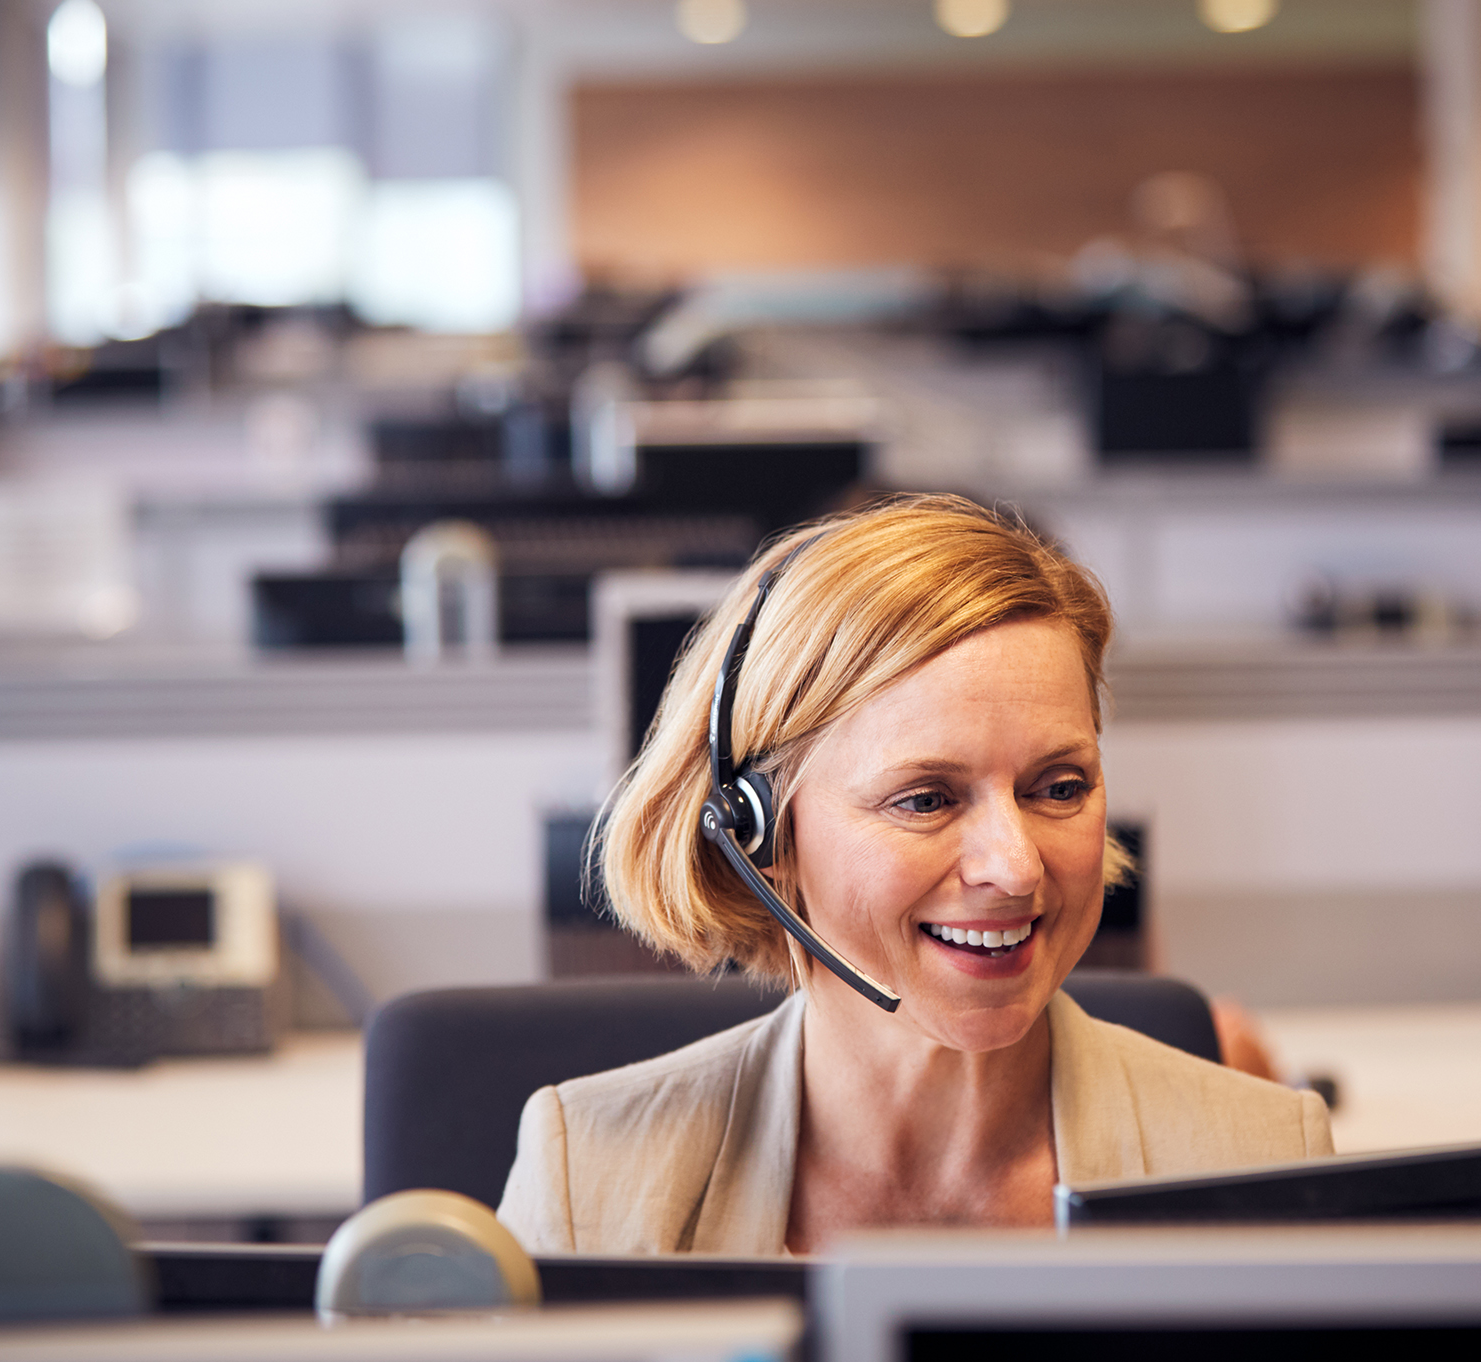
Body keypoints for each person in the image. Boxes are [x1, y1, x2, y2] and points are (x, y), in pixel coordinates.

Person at [496, 495, 1331, 1256]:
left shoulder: (1262, 1157)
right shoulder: (588, 1182)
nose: (1014, 867)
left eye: (1059, 787)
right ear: (761, 833)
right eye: (925, 799)